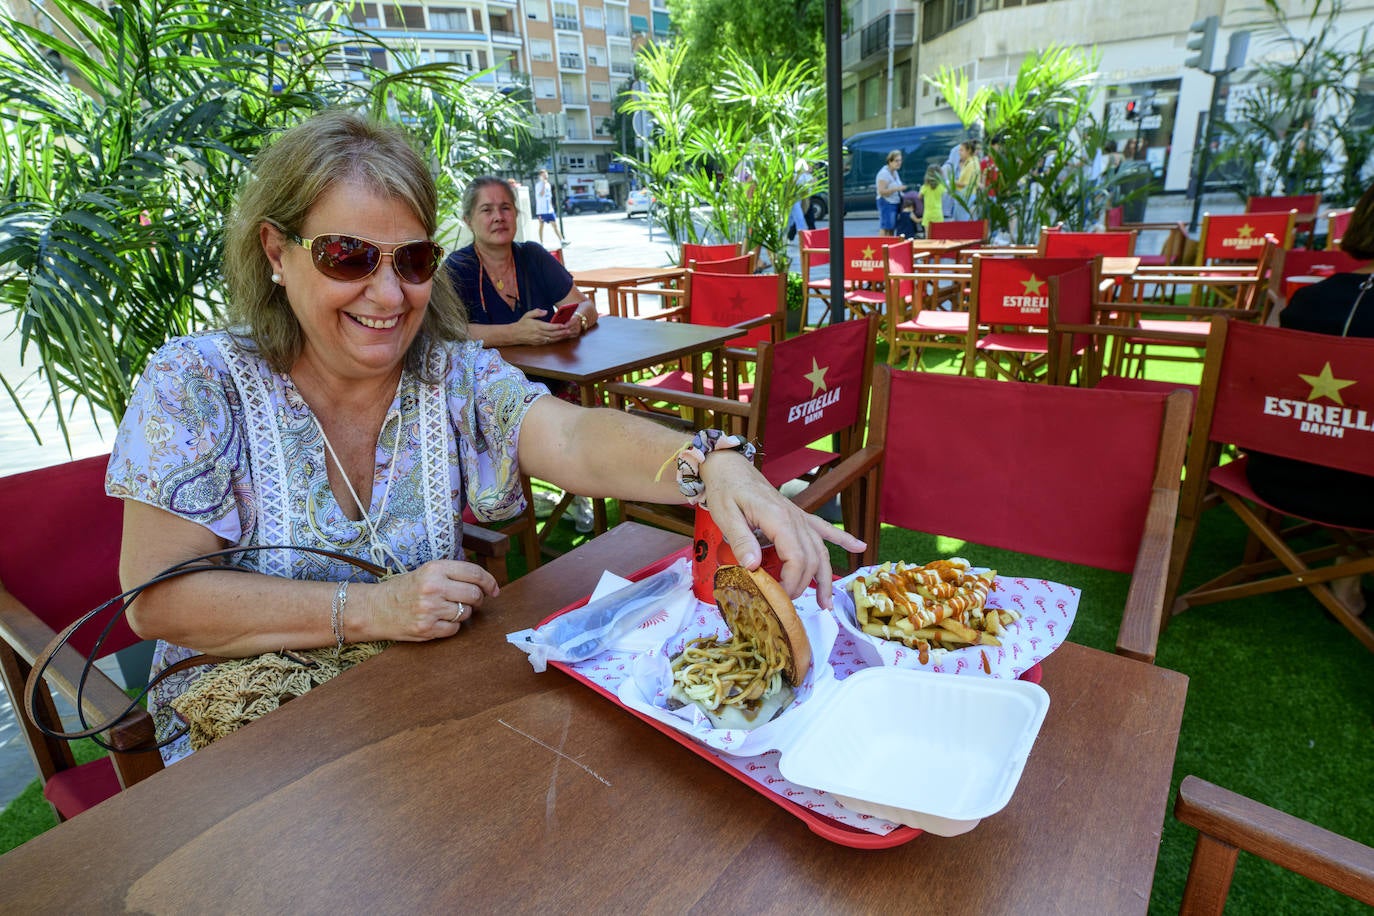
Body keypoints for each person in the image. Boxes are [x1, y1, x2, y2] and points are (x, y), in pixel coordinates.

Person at [106, 110, 864, 765]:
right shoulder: (196, 382)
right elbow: (159, 603)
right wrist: (375, 609)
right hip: (243, 749)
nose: (387, 291)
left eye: (412, 260)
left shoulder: (449, 373)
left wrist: (709, 465)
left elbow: (569, 438)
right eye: (348, 256)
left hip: (406, 712)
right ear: (277, 252)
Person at [1245, 180, 1374, 612]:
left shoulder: (1306, 302)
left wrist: (1277, 324)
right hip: (1362, 499)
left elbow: (1260, 390)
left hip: (1274, 474)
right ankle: (1347, 578)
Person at [445, 176, 596, 349]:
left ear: (516, 213)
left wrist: (578, 321)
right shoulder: (458, 266)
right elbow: (448, 330)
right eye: (487, 210)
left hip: (550, 371)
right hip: (488, 375)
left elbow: (586, 306)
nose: (499, 217)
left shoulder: (533, 255)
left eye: (505, 208)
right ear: (468, 221)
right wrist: (515, 333)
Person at [875, 150, 907, 237]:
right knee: (885, 227)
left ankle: (890, 247)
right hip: (886, 202)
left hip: (894, 202)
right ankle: (881, 246)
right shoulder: (884, 174)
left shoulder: (895, 172)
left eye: (900, 160)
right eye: (896, 161)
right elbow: (881, 191)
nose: (899, 163)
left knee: (892, 227)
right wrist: (897, 189)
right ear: (890, 161)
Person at [950, 140, 982, 222]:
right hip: (965, 196)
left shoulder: (972, 164)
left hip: (966, 196)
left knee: (963, 222)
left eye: (961, 150)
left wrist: (952, 181)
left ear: (969, 151)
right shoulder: (970, 161)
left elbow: (967, 184)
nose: (959, 152)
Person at [533, 169, 564, 248]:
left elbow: (549, 197)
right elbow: (540, 195)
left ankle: (562, 240)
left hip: (549, 209)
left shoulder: (548, 185)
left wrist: (552, 207)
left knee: (555, 225)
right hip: (541, 210)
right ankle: (541, 242)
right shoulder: (538, 185)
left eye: (546, 175)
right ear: (540, 176)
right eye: (543, 175)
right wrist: (543, 184)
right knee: (541, 226)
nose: (545, 176)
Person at [918, 166, 947, 237]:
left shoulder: (925, 187)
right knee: (938, 236)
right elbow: (945, 194)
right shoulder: (941, 186)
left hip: (927, 214)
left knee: (928, 236)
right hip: (938, 214)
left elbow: (919, 197)